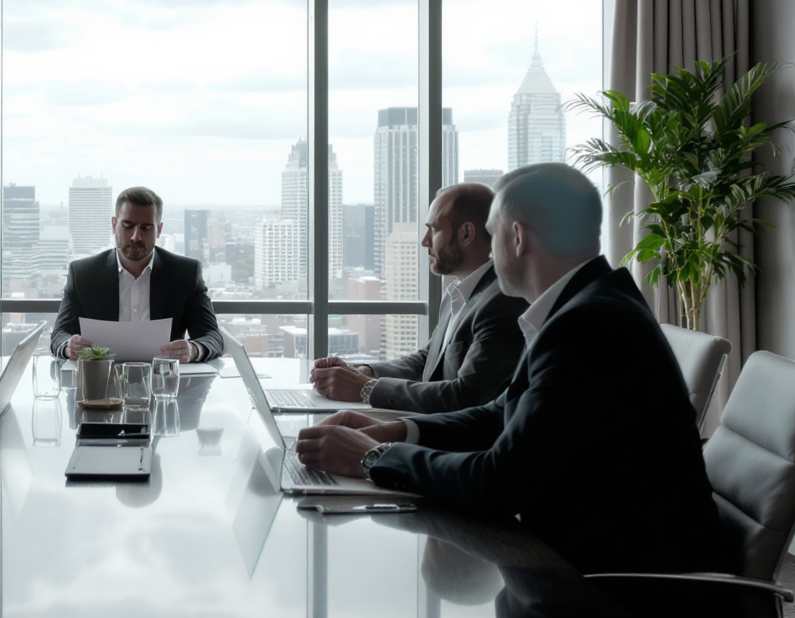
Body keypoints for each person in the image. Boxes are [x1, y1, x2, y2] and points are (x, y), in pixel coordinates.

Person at [293, 163, 731, 581]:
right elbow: (499, 412)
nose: (488, 248)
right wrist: (398, 432)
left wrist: (371, 458)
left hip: (615, 583)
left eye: (491, 233)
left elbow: (499, 483)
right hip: (593, 553)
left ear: (517, 237)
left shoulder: (585, 326)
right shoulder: (584, 305)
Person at [311, 183, 527, 413]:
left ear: (466, 233)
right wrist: (365, 372)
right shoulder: (460, 292)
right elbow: (428, 360)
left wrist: (366, 389)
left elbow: (468, 396)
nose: (425, 241)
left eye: (434, 230)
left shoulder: (501, 302)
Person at [51, 186, 223, 362]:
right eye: (128, 226)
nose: (136, 237)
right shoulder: (84, 274)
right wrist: (68, 347)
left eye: (146, 228)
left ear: (159, 230)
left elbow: (212, 337)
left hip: (163, 384)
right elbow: (59, 335)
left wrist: (193, 350)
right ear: (113, 224)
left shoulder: (185, 273)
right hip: (100, 382)